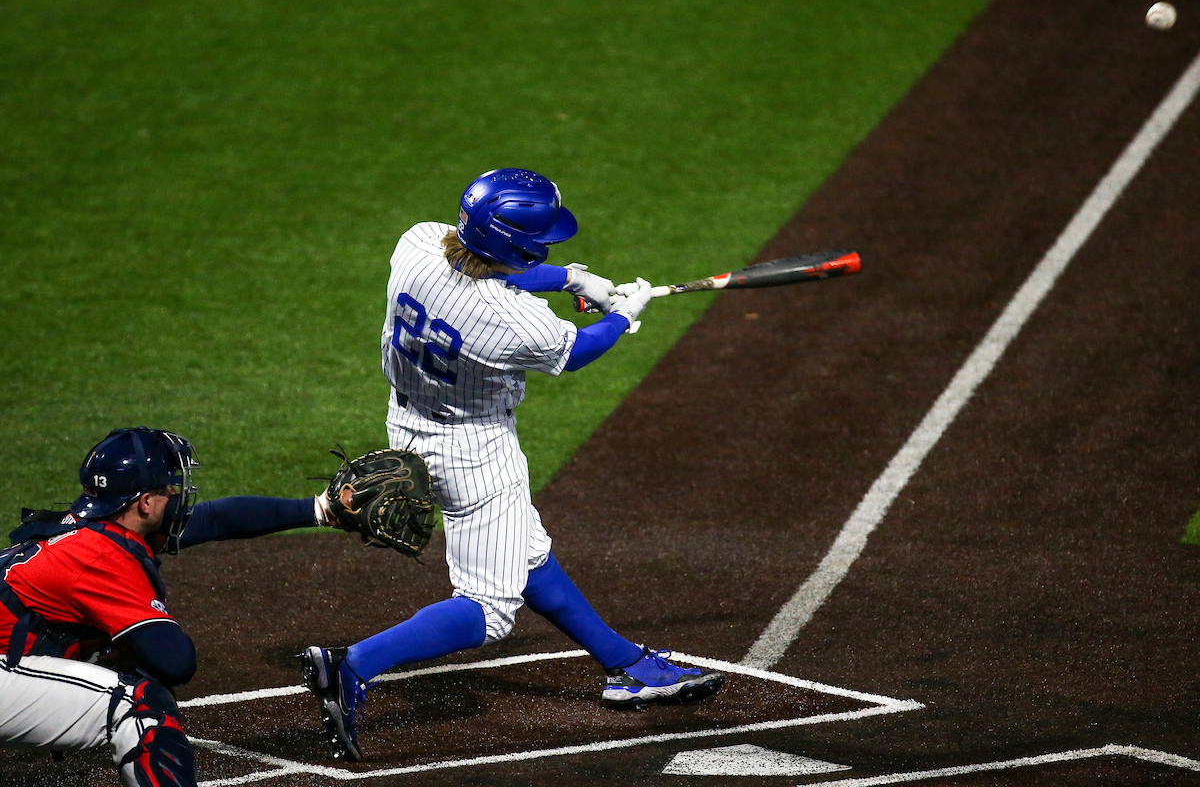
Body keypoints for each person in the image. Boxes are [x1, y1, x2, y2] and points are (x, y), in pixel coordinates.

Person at [300, 168, 725, 762]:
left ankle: (624, 664)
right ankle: (352, 665)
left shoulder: (416, 242)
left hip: (408, 426)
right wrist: (623, 316)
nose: (547, 247)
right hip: (476, 455)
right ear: (518, 246)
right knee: (490, 609)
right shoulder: (512, 324)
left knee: (526, 553)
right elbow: (575, 349)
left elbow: (494, 269)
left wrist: (576, 280)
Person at [0, 426, 344, 787]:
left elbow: (215, 519)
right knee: (137, 704)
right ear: (144, 503)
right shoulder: (101, 558)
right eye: (167, 489)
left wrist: (320, 510)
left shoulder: (87, 526)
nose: (177, 494)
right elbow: (176, 661)